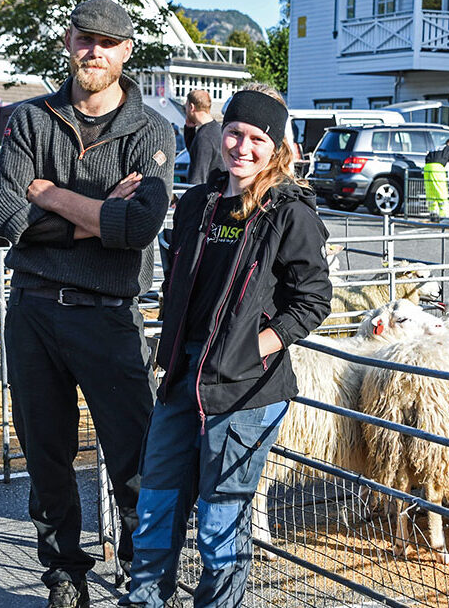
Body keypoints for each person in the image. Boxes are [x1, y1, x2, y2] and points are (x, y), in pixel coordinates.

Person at [0, 0, 174, 608]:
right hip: (34, 310)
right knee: (46, 453)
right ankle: (65, 575)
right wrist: (98, 216)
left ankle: (145, 577)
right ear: (69, 42)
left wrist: (50, 194)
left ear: (126, 52)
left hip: (108, 313)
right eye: (85, 38)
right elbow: (4, 216)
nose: (95, 50)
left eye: (108, 42)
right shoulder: (29, 119)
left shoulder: (151, 131)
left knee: (135, 457)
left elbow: (141, 227)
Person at [122, 85, 331, 608]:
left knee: (220, 521)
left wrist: (259, 344)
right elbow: (179, 280)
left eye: (257, 138)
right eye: (234, 132)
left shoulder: (289, 212)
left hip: (243, 389)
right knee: (156, 506)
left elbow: (313, 299)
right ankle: (145, 600)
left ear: (276, 146)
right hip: (181, 377)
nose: (242, 146)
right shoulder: (199, 203)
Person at [185, 89, 226, 185]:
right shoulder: (216, 129)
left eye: (186, 106)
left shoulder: (204, 137)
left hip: (207, 195)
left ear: (191, 107)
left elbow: (197, 178)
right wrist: (189, 130)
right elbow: (194, 153)